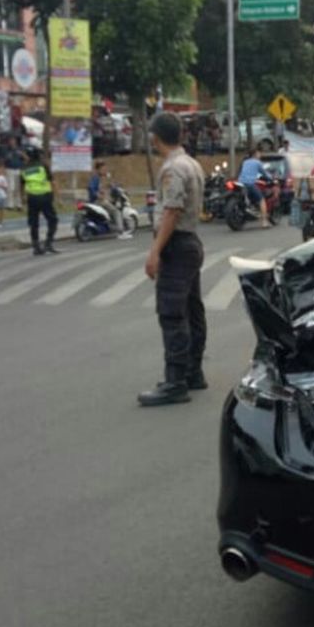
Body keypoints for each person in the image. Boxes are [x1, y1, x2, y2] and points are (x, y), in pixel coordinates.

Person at [139, 112, 206, 407]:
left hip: (177, 245)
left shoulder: (172, 169)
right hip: (190, 242)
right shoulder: (191, 163)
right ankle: (193, 371)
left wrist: (155, 250)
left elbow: (171, 210)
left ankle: (175, 381)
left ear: (155, 137)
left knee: (172, 313)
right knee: (192, 309)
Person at [21, 157, 59, 256]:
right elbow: (52, 181)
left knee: (33, 223)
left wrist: (22, 198)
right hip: (45, 196)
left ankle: (36, 246)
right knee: (53, 220)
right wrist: (58, 197)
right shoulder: (43, 166)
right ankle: (48, 242)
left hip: (32, 197)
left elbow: (22, 184)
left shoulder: (24, 168)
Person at [89, 159, 128, 239]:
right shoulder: (96, 178)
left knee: (111, 206)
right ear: (98, 169)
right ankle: (121, 231)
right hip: (99, 201)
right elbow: (92, 189)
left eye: (105, 168)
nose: (104, 170)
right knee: (116, 211)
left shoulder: (103, 178)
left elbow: (112, 186)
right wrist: (98, 195)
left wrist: (116, 186)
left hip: (103, 200)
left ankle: (111, 226)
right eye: (102, 169)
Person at [238, 148, 272, 228]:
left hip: (240, 183)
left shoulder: (245, 162)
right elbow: (264, 173)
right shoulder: (257, 162)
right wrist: (271, 178)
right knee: (261, 200)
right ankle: (264, 222)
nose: (260, 155)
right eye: (259, 153)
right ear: (255, 154)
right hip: (250, 183)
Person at [2, 134, 27, 210]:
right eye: (10, 140)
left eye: (13, 140)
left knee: (18, 187)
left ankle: (18, 204)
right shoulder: (5, 149)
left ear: (15, 141)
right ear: (8, 141)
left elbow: (26, 158)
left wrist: (22, 154)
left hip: (18, 169)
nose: (12, 142)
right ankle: (10, 205)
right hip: (9, 169)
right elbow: (3, 160)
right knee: (10, 187)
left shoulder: (20, 148)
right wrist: (8, 157)